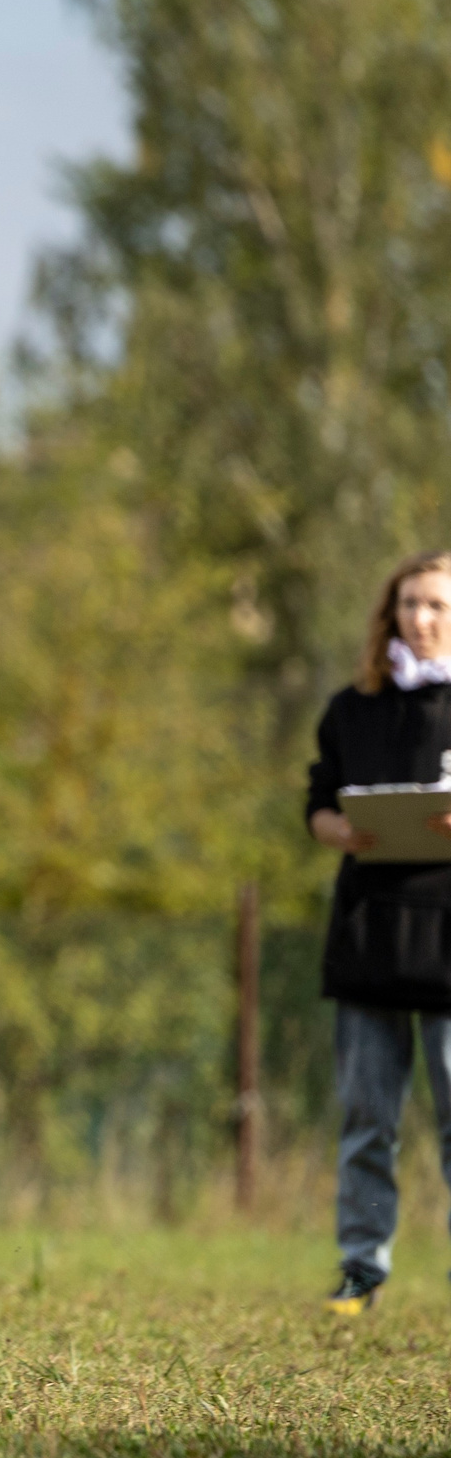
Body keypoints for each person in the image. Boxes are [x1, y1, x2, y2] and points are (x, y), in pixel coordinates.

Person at [306, 551, 451, 1314]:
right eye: (408, 605)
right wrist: (338, 830)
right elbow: (318, 801)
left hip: (449, 943)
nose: (419, 619)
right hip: (370, 939)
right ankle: (361, 1270)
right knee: (368, 1119)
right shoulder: (351, 708)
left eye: (435, 605)